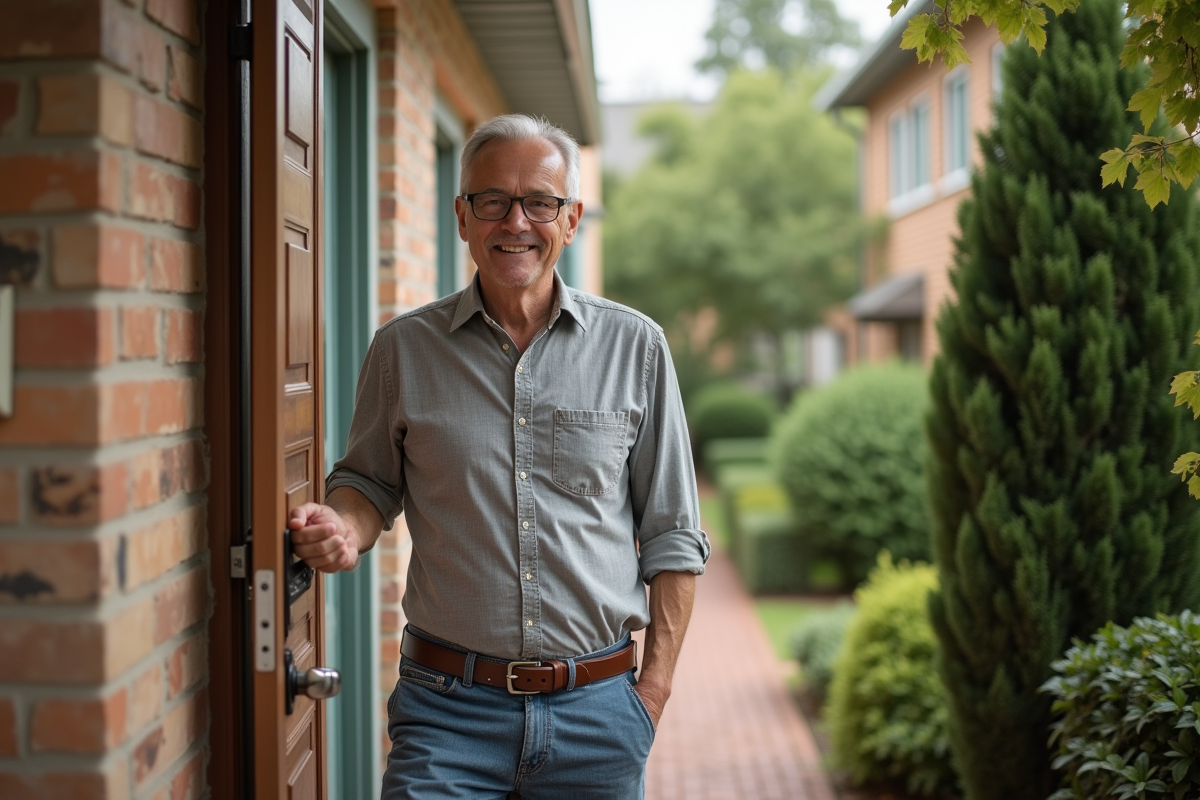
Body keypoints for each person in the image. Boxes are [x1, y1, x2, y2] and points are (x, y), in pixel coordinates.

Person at [287, 113, 709, 799]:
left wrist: (651, 694)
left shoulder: (637, 347)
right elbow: (365, 484)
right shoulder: (403, 349)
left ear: (570, 219)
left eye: (539, 202)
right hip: (447, 710)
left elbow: (674, 537)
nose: (516, 221)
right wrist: (343, 527)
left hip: (598, 715)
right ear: (462, 216)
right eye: (493, 201)